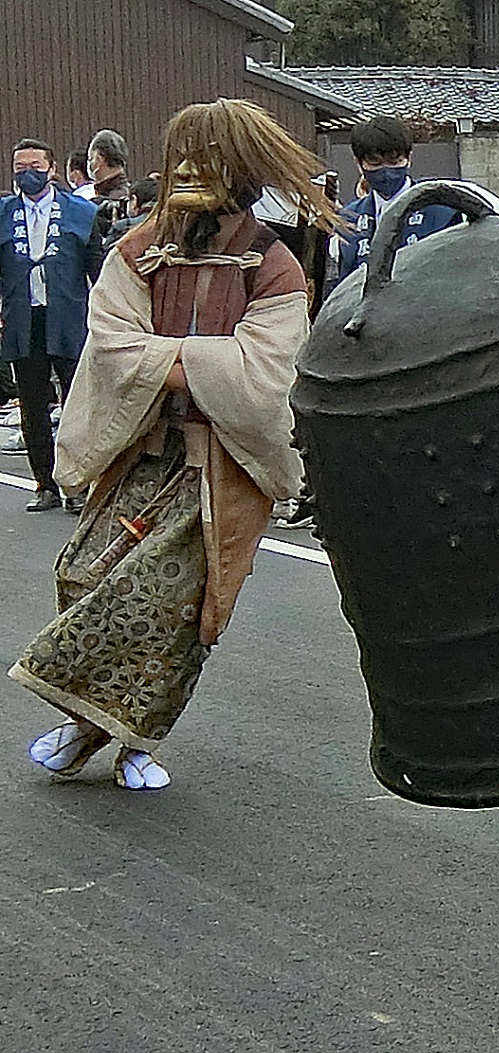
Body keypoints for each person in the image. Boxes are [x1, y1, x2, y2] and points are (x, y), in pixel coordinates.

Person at [8, 98, 337, 791]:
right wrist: (196, 360)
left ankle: (127, 744)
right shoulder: (139, 248)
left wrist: (167, 358)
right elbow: (113, 351)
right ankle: (97, 726)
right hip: (142, 449)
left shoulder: (273, 264)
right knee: (85, 575)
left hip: (219, 465)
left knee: (172, 610)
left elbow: (262, 376)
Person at [0, 138, 103, 511]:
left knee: (76, 403)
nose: (29, 174)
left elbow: (99, 271)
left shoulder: (80, 212)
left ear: (53, 169)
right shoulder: (4, 213)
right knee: (32, 404)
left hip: (69, 316)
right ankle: (44, 483)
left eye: (36, 167)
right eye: (21, 168)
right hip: (22, 317)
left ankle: (77, 482)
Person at [333, 115, 460, 285]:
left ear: (409, 159)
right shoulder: (349, 219)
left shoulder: (443, 212)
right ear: (358, 163)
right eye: (375, 163)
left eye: (394, 162)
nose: (386, 171)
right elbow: (343, 283)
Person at [87, 128, 131, 238]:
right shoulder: (131, 194)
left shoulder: (106, 202)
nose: (89, 164)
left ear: (99, 159)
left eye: (90, 158)